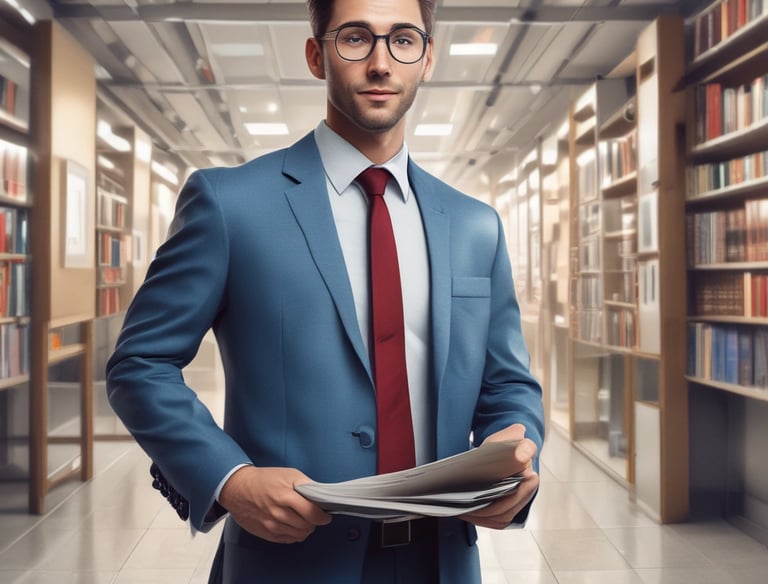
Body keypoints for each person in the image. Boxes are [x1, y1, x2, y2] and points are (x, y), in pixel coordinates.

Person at [106, 0, 545, 582]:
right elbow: (140, 364)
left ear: (428, 57)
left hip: (444, 558)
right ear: (316, 56)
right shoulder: (230, 205)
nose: (381, 63)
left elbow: (508, 383)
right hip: (289, 558)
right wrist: (230, 479)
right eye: (356, 38)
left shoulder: (475, 224)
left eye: (404, 40)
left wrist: (513, 454)